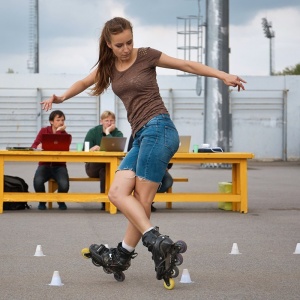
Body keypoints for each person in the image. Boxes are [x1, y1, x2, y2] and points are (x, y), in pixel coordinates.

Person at [41, 17, 245, 284]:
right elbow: (83, 81)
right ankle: (136, 249)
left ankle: (141, 247)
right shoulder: (108, 66)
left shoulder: (146, 56)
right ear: (108, 44)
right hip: (140, 136)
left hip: (159, 129)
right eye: (119, 45)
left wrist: (222, 75)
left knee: (141, 199)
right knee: (117, 192)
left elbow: (186, 64)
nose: (126, 49)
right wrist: (61, 97)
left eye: (129, 42)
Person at [83, 110, 123, 210]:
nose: (109, 123)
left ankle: (107, 201)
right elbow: (85, 151)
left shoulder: (118, 133)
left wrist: (108, 133)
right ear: (101, 121)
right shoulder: (93, 132)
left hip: (109, 167)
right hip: (92, 167)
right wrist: (91, 150)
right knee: (104, 167)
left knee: (105, 171)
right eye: (106, 121)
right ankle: (109, 201)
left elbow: (118, 152)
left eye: (112, 121)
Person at [31, 110, 71, 210]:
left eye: (62, 120)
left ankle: (60, 200)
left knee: (64, 184)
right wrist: (38, 146)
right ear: (51, 121)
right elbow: (34, 146)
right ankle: (42, 201)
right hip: (44, 164)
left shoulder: (66, 135)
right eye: (58, 120)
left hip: (59, 165)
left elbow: (63, 147)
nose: (61, 122)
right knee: (37, 181)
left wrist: (58, 132)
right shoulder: (43, 131)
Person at [127, 135, 173, 212]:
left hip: (159, 166)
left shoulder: (164, 134)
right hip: (140, 166)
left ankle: (147, 201)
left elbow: (169, 153)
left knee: (167, 181)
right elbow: (131, 151)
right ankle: (141, 203)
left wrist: (166, 165)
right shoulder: (137, 132)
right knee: (139, 181)